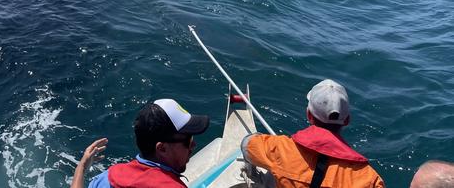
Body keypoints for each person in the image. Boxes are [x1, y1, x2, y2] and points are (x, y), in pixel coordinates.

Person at [241, 79, 385, 188]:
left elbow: (246, 144)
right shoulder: (369, 179)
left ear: (309, 115)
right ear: (347, 120)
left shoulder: (280, 149)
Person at [71, 98, 210, 188]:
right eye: (187, 140)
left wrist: (81, 168)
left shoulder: (108, 177)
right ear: (162, 148)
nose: (193, 145)